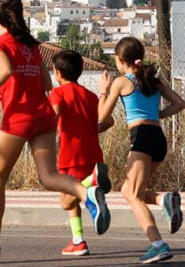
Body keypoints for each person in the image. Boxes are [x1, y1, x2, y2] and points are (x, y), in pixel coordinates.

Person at [0, 0, 110, 263]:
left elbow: (6, 70)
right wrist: (4, 92)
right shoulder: (31, 46)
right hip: (43, 116)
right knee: (48, 176)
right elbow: (45, 83)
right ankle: (86, 194)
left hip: (19, 117)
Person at [99, 37, 185, 264]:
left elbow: (103, 117)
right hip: (158, 138)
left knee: (134, 195)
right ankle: (162, 200)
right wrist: (158, 115)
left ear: (120, 60)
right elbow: (180, 103)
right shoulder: (153, 80)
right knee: (128, 191)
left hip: (141, 139)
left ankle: (158, 244)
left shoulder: (121, 82)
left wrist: (103, 92)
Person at [49, 50, 115, 256]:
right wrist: (89, 129)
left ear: (58, 72)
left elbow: (54, 115)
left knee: (66, 201)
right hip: (93, 153)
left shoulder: (57, 93)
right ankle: (77, 240)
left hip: (71, 154)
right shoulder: (90, 95)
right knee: (73, 200)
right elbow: (108, 121)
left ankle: (90, 184)